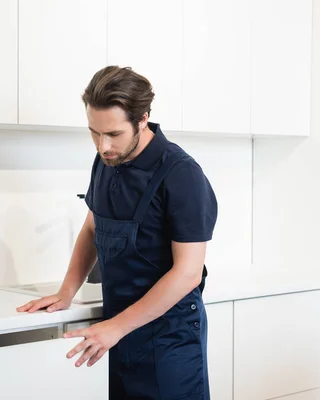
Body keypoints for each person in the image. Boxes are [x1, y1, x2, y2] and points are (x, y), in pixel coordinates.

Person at [17, 65, 218, 399]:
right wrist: (67, 290)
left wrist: (116, 327)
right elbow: (92, 226)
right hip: (117, 330)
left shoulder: (182, 175)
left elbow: (187, 273)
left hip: (169, 337)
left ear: (142, 119)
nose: (102, 145)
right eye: (94, 132)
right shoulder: (106, 162)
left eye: (113, 134)